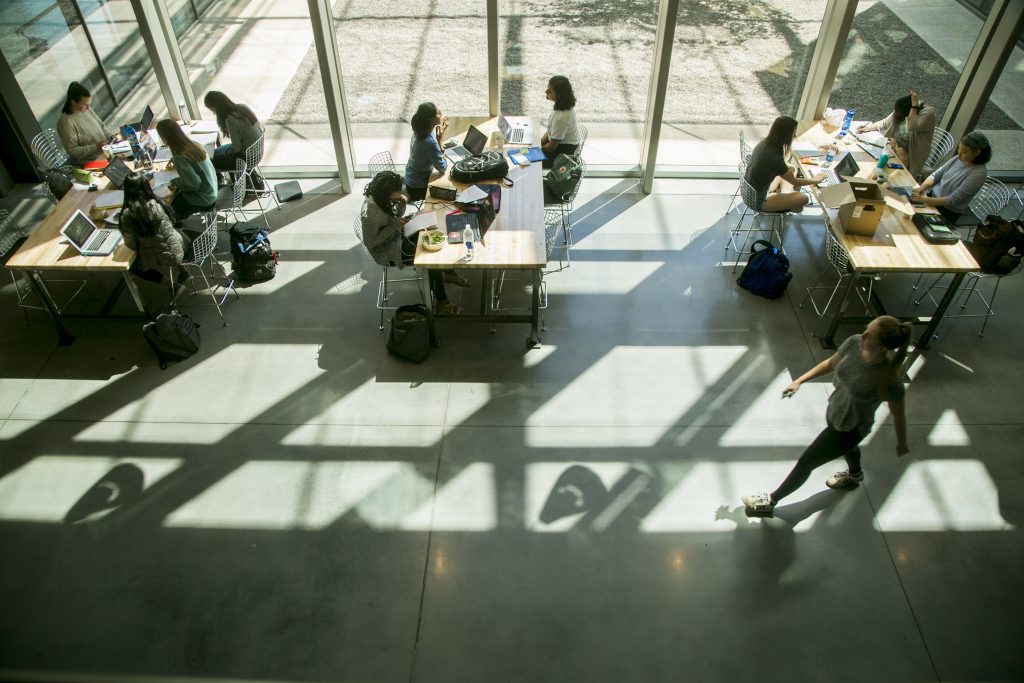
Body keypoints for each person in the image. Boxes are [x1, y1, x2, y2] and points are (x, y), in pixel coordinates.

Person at [741, 315, 911, 516]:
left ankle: (770, 501)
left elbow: (898, 414)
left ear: (883, 347)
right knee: (848, 449)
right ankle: (855, 474)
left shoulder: (889, 378)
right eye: (867, 329)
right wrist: (800, 381)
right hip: (835, 413)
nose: (863, 334)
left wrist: (901, 443)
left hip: (851, 429)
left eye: (870, 335)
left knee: (806, 463)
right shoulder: (855, 343)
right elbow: (831, 363)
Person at [360, 171, 467, 316]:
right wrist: (395, 226)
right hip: (387, 250)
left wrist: (401, 204)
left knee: (431, 230)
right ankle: (442, 302)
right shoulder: (370, 213)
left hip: (396, 233)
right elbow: (371, 242)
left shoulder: (382, 198)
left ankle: (448, 273)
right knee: (429, 257)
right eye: (394, 196)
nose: (397, 197)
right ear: (385, 194)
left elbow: (396, 215)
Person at [118, 171, 192, 296]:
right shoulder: (158, 203)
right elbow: (172, 222)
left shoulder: (128, 215)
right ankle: (183, 271)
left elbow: (132, 245)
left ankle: (173, 285)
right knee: (168, 237)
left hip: (160, 256)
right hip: (179, 245)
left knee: (135, 267)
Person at [745, 115, 825, 213]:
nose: (794, 136)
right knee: (803, 199)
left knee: (791, 168)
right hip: (758, 200)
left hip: (752, 190)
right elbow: (795, 182)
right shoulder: (774, 157)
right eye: (793, 133)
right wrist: (816, 179)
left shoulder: (765, 143)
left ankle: (786, 197)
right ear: (786, 135)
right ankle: (786, 198)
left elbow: (783, 169)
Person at [911, 131, 990, 223]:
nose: (959, 153)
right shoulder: (957, 159)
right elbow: (936, 175)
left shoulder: (978, 174)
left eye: (964, 152)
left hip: (946, 211)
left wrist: (924, 200)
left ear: (977, 153)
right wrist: (921, 188)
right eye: (959, 149)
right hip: (932, 198)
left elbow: (953, 200)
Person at [856, 91, 936, 179]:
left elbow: (911, 127)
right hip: (893, 148)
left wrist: (914, 107)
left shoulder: (928, 113)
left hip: (910, 158)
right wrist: (866, 128)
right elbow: (885, 123)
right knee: (872, 165)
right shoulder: (902, 108)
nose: (897, 115)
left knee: (892, 177)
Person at [156, 118, 218, 221]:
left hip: (203, 199)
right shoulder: (192, 144)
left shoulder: (180, 157)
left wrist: (176, 182)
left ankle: (177, 228)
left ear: (165, 138)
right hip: (211, 191)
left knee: (166, 212)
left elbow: (193, 184)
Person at [56, 82, 119, 165]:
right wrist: (95, 147)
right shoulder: (66, 123)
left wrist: (111, 136)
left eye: (89, 104)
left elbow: (102, 126)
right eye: (85, 105)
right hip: (92, 160)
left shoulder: (86, 109)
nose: (89, 107)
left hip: (105, 151)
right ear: (73, 102)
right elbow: (73, 151)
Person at [203, 91, 265, 175]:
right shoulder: (242, 107)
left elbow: (236, 148)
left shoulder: (230, 120)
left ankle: (218, 183)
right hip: (257, 152)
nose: (214, 113)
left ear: (218, 108)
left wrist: (227, 153)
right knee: (215, 153)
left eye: (213, 110)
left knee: (209, 162)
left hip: (246, 158)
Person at [405, 102, 448, 202]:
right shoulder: (428, 142)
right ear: (432, 120)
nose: (440, 113)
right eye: (438, 113)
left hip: (411, 179)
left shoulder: (420, 131)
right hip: (417, 188)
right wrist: (440, 142)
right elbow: (443, 168)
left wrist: (440, 135)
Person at [540, 75, 580, 169]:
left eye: (550, 90)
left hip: (561, 155)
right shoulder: (563, 105)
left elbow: (551, 147)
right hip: (559, 146)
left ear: (559, 94)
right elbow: (551, 130)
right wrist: (540, 142)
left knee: (526, 160)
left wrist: (536, 149)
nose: (546, 91)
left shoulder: (561, 117)